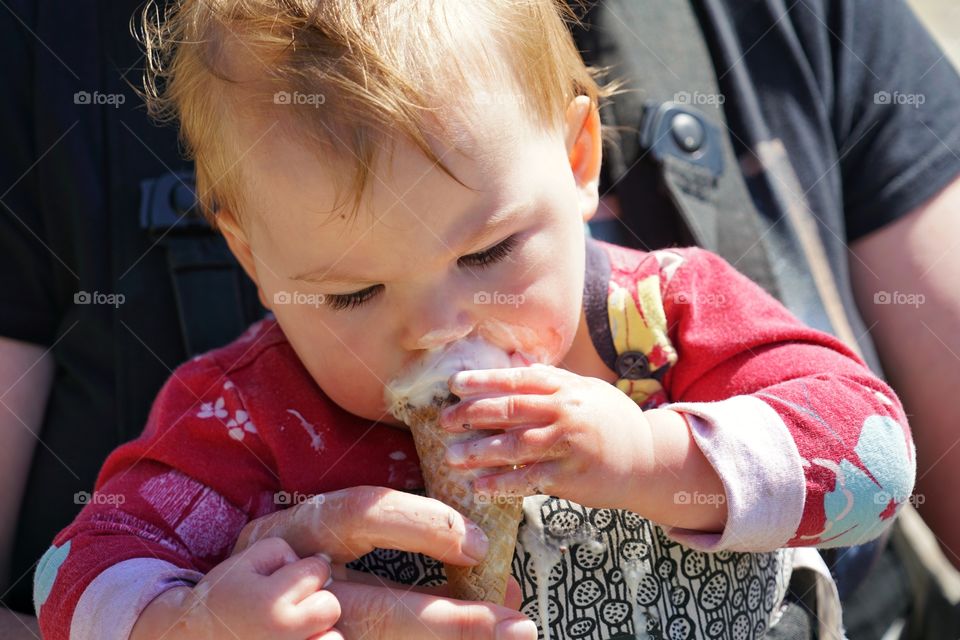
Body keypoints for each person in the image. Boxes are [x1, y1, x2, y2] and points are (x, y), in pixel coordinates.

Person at [31, 1, 916, 639]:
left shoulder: (662, 318)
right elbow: (74, 572)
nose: (433, 325)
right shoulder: (248, 413)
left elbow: (878, 458)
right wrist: (185, 623)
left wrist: (656, 459)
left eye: (489, 254)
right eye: (350, 295)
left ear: (577, 160)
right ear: (255, 259)